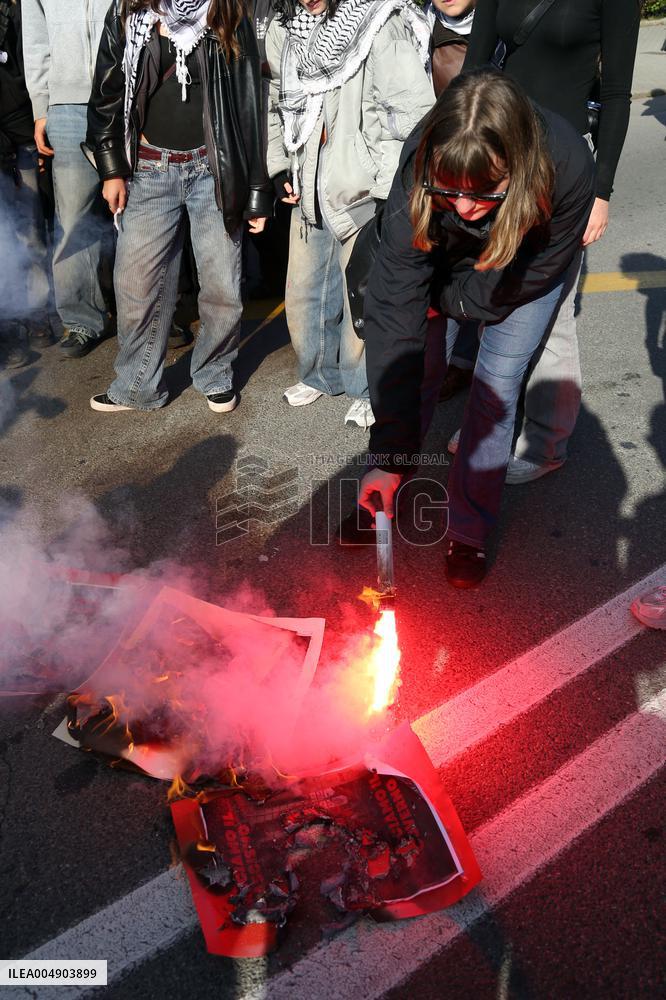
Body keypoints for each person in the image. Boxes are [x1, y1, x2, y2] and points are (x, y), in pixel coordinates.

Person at [357, 69, 595, 587]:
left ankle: (468, 531)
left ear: (517, 168)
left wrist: (460, 300)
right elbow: (395, 319)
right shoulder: (420, 164)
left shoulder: (568, 163)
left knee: (495, 387)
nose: (464, 208)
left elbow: (537, 270)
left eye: (484, 191)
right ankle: (390, 481)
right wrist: (388, 453)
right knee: (415, 362)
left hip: (519, 271)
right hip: (444, 263)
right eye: (449, 191)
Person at [456, 0, 642, 483]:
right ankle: (488, 419)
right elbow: (476, 65)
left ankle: (545, 442)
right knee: (489, 292)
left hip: (561, 168)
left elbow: (619, 94)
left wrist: (602, 192)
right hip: (497, 156)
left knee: (552, 310)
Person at [85, 0, 272, 414]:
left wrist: (256, 191)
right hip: (150, 168)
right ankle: (136, 385)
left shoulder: (227, 10)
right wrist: (112, 169)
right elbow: (106, 96)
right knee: (135, 285)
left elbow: (248, 105)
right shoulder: (128, 13)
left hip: (214, 171)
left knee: (223, 284)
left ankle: (214, 373)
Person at [265, 0, 434, 428]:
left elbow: (407, 112)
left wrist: (387, 191)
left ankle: (364, 386)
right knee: (304, 292)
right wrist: (279, 165)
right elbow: (275, 101)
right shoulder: (286, 30)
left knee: (363, 294)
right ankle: (320, 375)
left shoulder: (379, 20)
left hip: (361, 187)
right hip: (307, 182)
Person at [22, 0, 112, 358]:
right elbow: (36, 40)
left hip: (124, 96)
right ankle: (80, 321)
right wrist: (41, 106)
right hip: (67, 105)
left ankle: (151, 314)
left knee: (144, 211)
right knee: (74, 217)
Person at [0, 0, 51, 368]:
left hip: (19, 131)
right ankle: (9, 325)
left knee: (30, 231)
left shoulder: (15, 9)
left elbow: (32, 60)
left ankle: (33, 312)